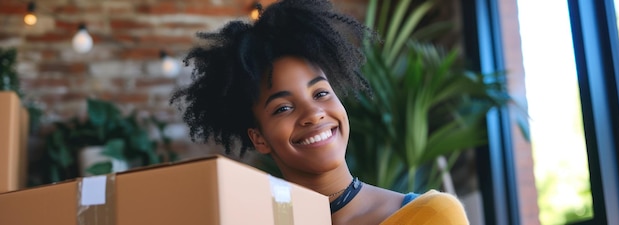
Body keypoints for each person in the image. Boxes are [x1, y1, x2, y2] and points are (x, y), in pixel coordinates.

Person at [171, 0, 469, 224]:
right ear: (259, 138)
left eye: (321, 93)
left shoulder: (431, 216)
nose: (313, 113)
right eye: (283, 107)